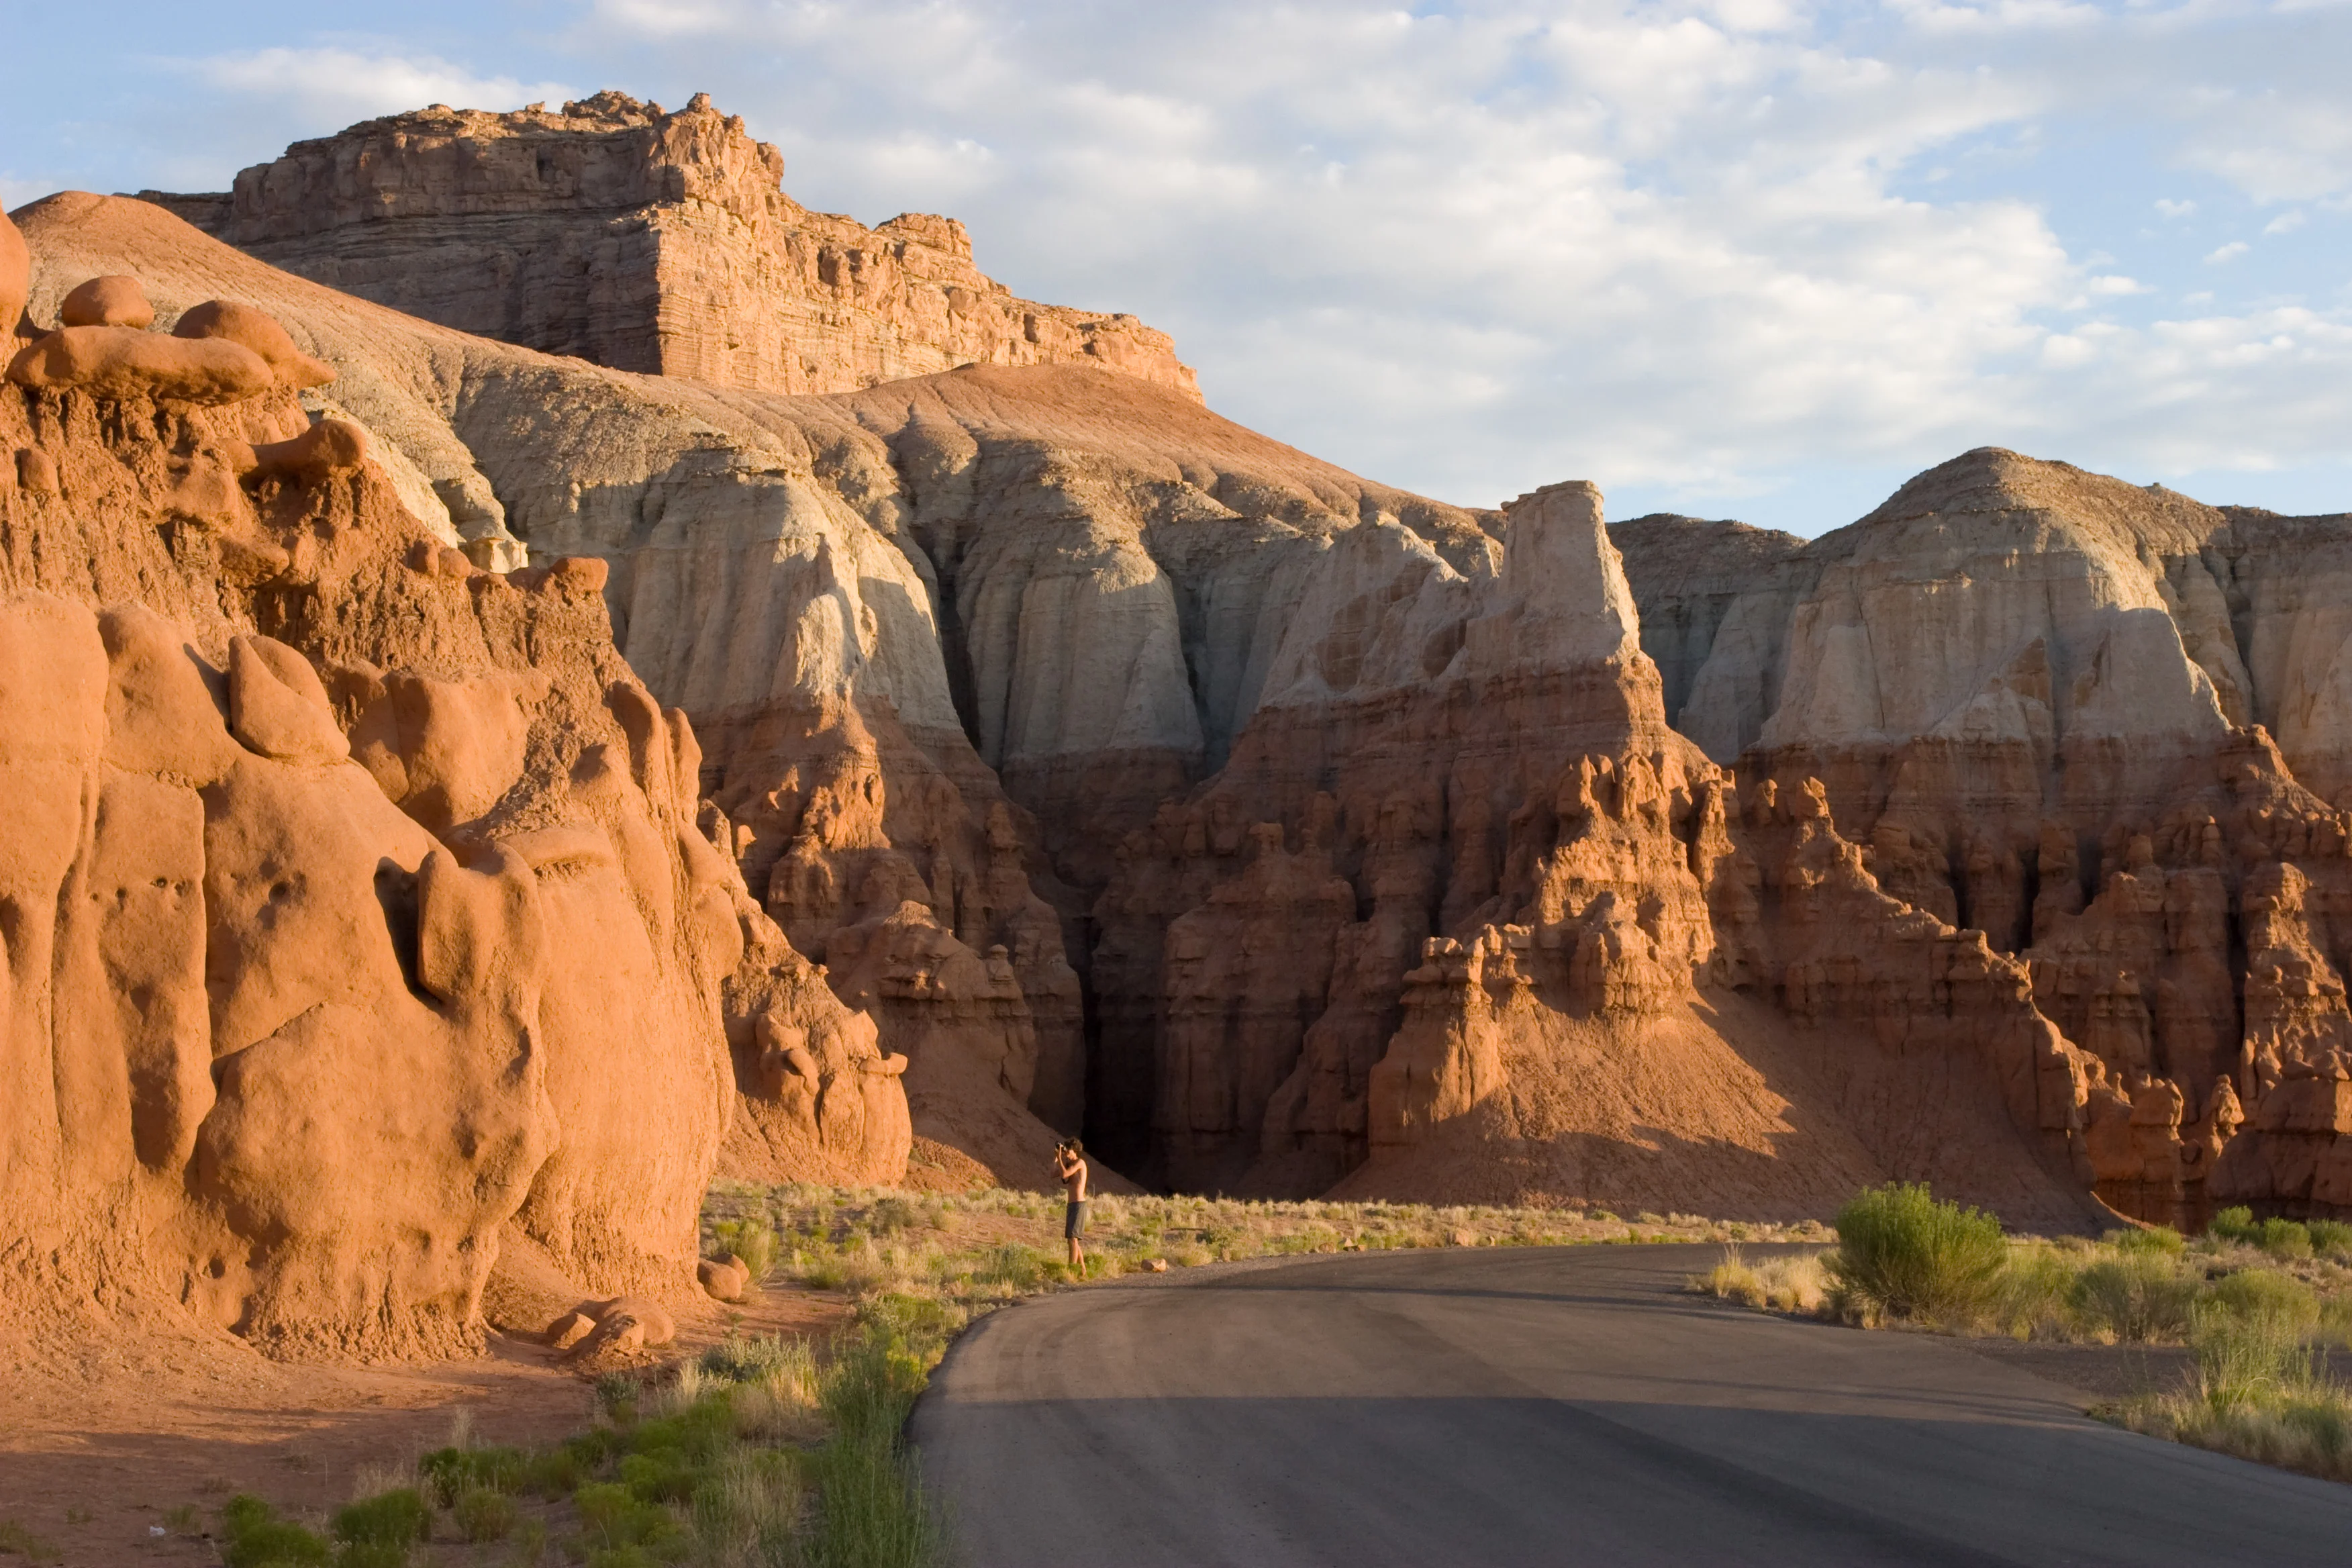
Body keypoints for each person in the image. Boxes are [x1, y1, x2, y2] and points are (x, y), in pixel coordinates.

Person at [1053, 1138, 1089, 1271]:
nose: (1066, 1152)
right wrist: (1056, 1158)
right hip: (1072, 1205)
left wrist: (1061, 1159)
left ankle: (1071, 1271)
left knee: (1073, 1240)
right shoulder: (1068, 1163)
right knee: (1071, 1240)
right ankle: (1083, 1270)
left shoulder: (1080, 1163)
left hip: (1079, 1204)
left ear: (1075, 1151)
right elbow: (1052, 1173)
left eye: (1067, 1150)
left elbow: (1065, 1174)